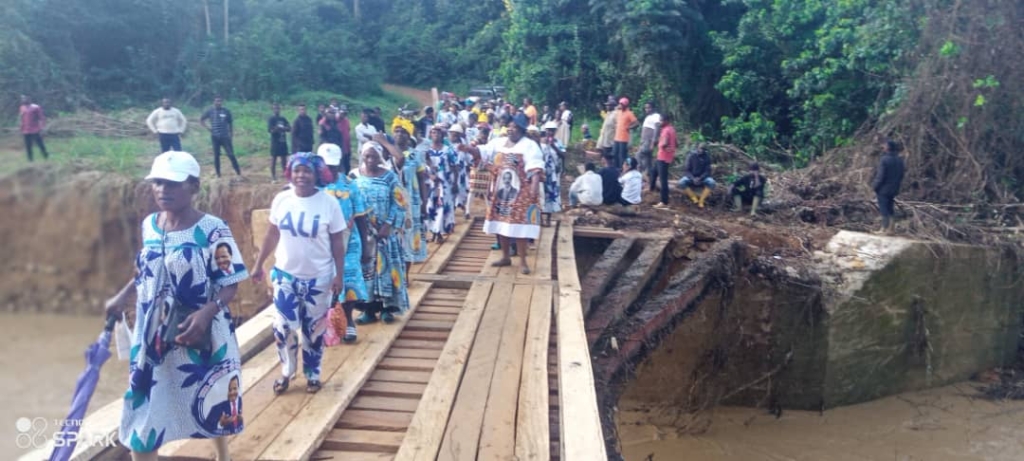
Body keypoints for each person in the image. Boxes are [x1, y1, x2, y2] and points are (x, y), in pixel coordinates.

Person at [103, 151, 247, 460]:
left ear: (194, 187)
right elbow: (145, 272)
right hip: (155, 335)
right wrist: (121, 297)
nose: (162, 190)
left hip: (198, 331)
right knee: (147, 405)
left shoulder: (213, 229)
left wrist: (207, 312)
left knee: (211, 398)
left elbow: (231, 281)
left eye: (172, 184)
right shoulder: (149, 226)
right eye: (157, 183)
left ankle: (223, 455)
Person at [252, 152, 346, 395]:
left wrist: (339, 275)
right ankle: (287, 371)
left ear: (317, 174)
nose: (301, 175)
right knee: (282, 326)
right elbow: (272, 233)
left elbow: (337, 242)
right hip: (285, 276)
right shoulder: (282, 199)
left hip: (319, 278)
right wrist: (259, 263)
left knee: (313, 329)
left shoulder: (329, 204)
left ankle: (313, 374)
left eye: (306, 171)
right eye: (297, 171)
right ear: (290, 173)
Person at [459, 118, 544, 274]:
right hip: (500, 190)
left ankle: (523, 261)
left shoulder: (530, 146)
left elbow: (535, 169)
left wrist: (534, 189)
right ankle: (505, 257)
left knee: (520, 227)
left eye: (515, 127)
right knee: (501, 224)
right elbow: (482, 151)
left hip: (521, 192)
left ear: (522, 130)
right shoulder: (499, 142)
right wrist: (468, 149)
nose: (511, 129)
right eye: (510, 127)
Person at [319, 144, 373, 343]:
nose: (330, 170)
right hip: (321, 242)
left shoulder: (350, 185)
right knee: (324, 282)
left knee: (348, 280)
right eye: (326, 166)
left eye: (333, 166)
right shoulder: (314, 187)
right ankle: (327, 323)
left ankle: (349, 321)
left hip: (349, 240)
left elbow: (360, 218)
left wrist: (367, 246)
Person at [354, 142, 410, 324]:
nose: (370, 160)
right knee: (367, 270)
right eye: (367, 156)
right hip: (364, 233)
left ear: (380, 158)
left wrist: (388, 225)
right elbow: (351, 202)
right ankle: (368, 310)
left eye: (374, 156)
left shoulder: (390, 177)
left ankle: (387, 308)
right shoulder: (354, 176)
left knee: (387, 268)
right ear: (362, 155)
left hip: (386, 233)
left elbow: (399, 202)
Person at [381, 120, 429, 274]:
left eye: (403, 132)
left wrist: (424, 202)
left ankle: (405, 274)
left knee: (408, 237)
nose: (399, 135)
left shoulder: (416, 155)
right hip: (390, 202)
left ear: (409, 136)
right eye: (397, 131)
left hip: (411, 202)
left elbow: (422, 179)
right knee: (392, 235)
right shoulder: (386, 154)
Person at [424, 125, 458, 241]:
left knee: (442, 206)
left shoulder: (448, 150)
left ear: (442, 135)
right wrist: (430, 175)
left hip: (445, 183)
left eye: (438, 133)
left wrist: (455, 183)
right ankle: (433, 231)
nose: (435, 135)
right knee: (430, 207)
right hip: (430, 183)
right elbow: (423, 166)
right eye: (433, 133)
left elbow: (454, 166)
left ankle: (438, 232)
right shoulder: (426, 149)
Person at [200, 96, 241, 177]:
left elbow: (230, 123)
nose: (218, 103)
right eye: (216, 101)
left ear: (222, 102)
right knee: (216, 156)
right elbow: (201, 119)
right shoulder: (210, 111)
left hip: (225, 136)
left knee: (231, 154)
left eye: (220, 101)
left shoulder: (226, 111)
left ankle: (238, 173)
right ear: (214, 102)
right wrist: (208, 128)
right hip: (215, 137)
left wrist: (231, 134)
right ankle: (218, 174)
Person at [872, 139, 906, 233]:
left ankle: (884, 229)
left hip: (883, 189)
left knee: (883, 208)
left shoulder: (885, 159)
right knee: (890, 207)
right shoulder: (900, 160)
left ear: (888, 148)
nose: (883, 147)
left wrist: (875, 186)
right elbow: (901, 174)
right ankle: (891, 229)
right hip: (894, 188)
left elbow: (880, 176)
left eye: (884, 145)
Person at [678, 143, 716, 208]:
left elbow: (707, 171)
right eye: (700, 148)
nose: (701, 150)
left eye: (703, 149)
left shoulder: (707, 157)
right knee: (681, 182)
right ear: (697, 148)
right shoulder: (691, 156)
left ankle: (701, 200)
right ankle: (694, 198)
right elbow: (687, 170)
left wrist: (700, 178)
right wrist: (693, 178)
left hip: (702, 178)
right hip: (691, 177)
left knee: (712, 182)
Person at [540, 121, 564, 222]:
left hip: (553, 174)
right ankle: (541, 219)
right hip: (543, 173)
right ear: (545, 131)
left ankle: (548, 219)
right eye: (548, 130)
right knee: (541, 194)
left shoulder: (558, 142)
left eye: (552, 131)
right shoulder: (540, 142)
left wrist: (553, 145)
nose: (550, 132)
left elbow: (563, 155)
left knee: (551, 195)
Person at [652, 112, 676, 208]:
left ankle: (664, 201)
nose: (660, 122)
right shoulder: (671, 129)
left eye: (661, 120)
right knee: (654, 173)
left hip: (663, 157)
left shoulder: (666, 130)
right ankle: (651, 190)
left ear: (666, 121)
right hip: (664, 156)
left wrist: (661, 144)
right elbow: (676, 143)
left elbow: (665, 142)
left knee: (663, 180)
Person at [19, 95, 49, 161]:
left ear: (29, 99)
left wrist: (42, 127)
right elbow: (22, 118)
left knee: (40, 144)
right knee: (28, 146)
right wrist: (21, 127)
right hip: (26, 130)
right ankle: (30, 159)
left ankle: (45, 155)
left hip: (35, 129)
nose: (23, 100)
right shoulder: (22, 107)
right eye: (22, 99)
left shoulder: (36, 107)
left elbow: (41, 118)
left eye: (24, 98)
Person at [613, 97, 640, 168]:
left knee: (622, 156)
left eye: (621, 104)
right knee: (615, 154)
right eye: (619, 104)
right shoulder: (619, 112)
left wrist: (629, 127)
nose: (620, 105)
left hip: (624, 138)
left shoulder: (629, 113)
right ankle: (616, 169)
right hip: (617, 137)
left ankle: (623, 169)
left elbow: (636, 123)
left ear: (625, 105)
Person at [267, 103, 291, 181]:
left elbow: (289, 128)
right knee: (274, 159)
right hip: (275, 142)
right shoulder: (271, 119)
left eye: (278, 108)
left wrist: (284, 128)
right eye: (275, 108)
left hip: (283, 141)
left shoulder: (283, 119)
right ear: (273, 110)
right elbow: (270, 130)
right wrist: (277, 128)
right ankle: (273, 176)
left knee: (284, 159)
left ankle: (285, 175)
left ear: (280, 109)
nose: (276, 110)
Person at [638, 102, 661, 178]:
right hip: (644, 141)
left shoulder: (656, 116)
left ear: (653, 108)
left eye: (649, 108)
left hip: (649, 141)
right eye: (646, 108)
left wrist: (653, 141)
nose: (647, 109)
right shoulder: (648, 117)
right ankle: (650, 176)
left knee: (640, 156)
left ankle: (644, 174)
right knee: (648, 159)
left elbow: (657, 128)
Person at [337, 105, 353, 172]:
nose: (343, 115)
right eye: (342, 113)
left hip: (347, 147)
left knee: (347, 167)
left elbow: (348, 132)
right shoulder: (335, 121)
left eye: (345, 113)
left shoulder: (347, 121)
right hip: (339, 147)